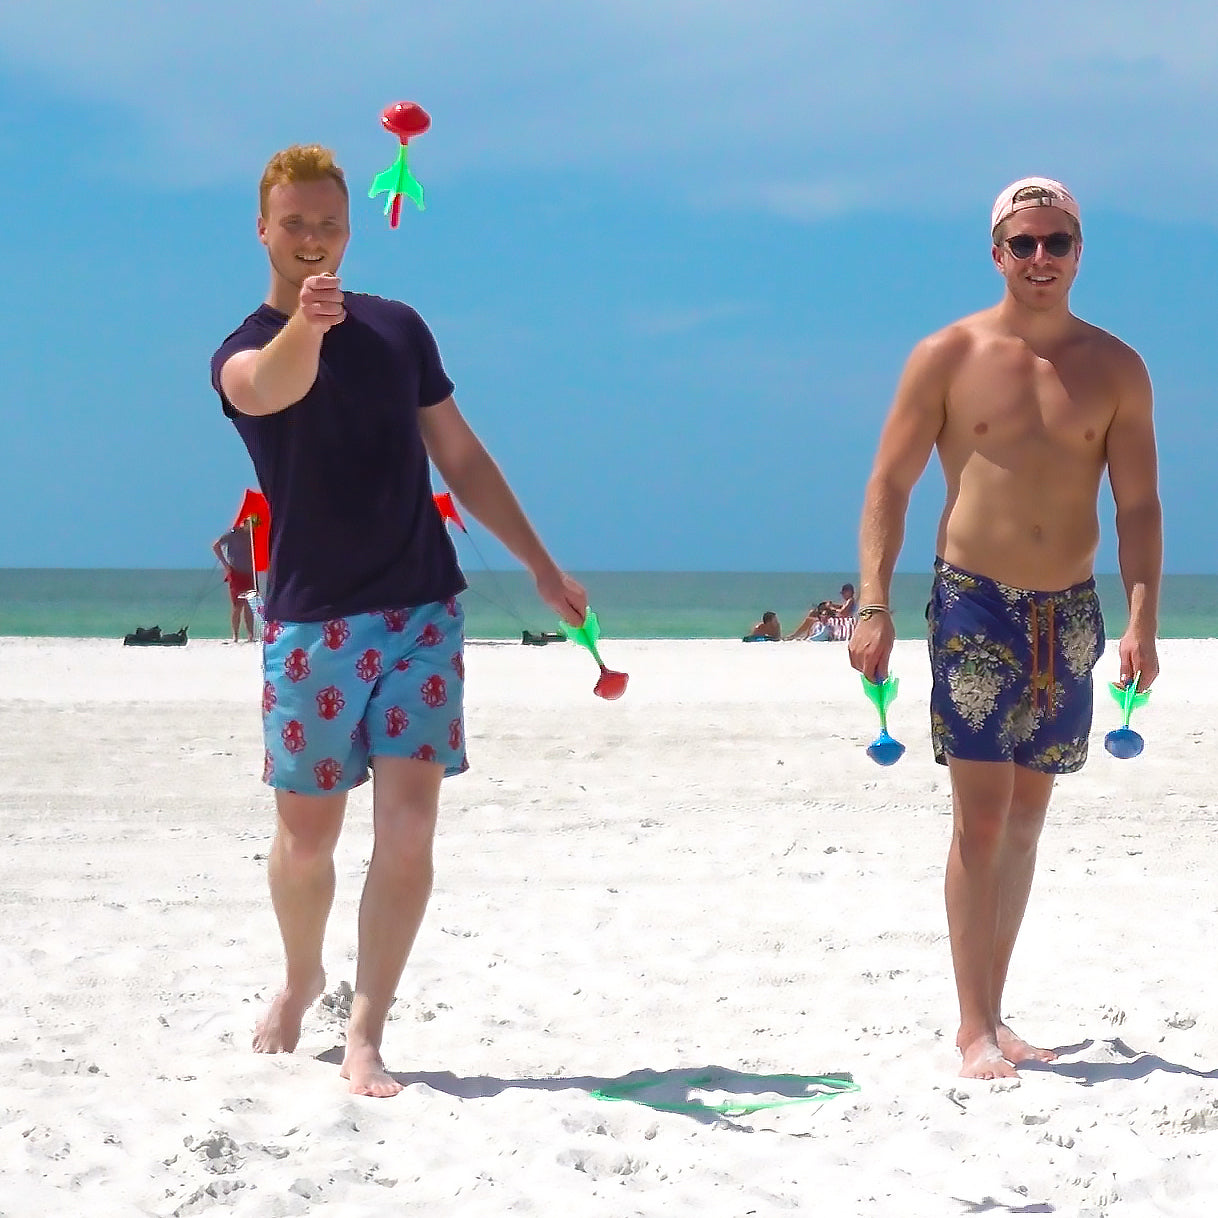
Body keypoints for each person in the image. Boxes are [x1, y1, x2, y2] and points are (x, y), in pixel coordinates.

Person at [210, 144, 588, 1098]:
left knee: (411, 832)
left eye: (328, 223)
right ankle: (302, 979)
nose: (312, 239)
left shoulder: (399, 329)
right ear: (263, 229)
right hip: (312, 625)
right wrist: (307, 324)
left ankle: (368, 1030)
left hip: (423, 606)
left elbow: (460, 456)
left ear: (349, 226)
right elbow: (274, 389)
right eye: (294, 223)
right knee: (308, 838)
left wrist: (541, 564)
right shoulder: (244, 348)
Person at [848, 176, 1161, 1080]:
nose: (1038, 260)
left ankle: (998, 1007)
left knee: (1027, 819)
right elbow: (889, 486)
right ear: (996, 252)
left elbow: (1138, 504)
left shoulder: (1116, 367)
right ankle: (972, 1024)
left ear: (1077, 252)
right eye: (1022, 243)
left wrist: (1142, 621)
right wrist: (872, 602)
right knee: (980, 820)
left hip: (1069, 612)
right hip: (975, 602)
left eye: (1055, 243)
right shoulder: (948, 354)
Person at [212, 522, 257, 642]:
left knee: (249, 604)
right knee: (237, 605)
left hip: (250, 572)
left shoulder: (252, 534)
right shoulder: (232, 533)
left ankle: (250, 635)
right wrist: (225, 565)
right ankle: (235, 635)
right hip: (236, 572)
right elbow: (216, 546)